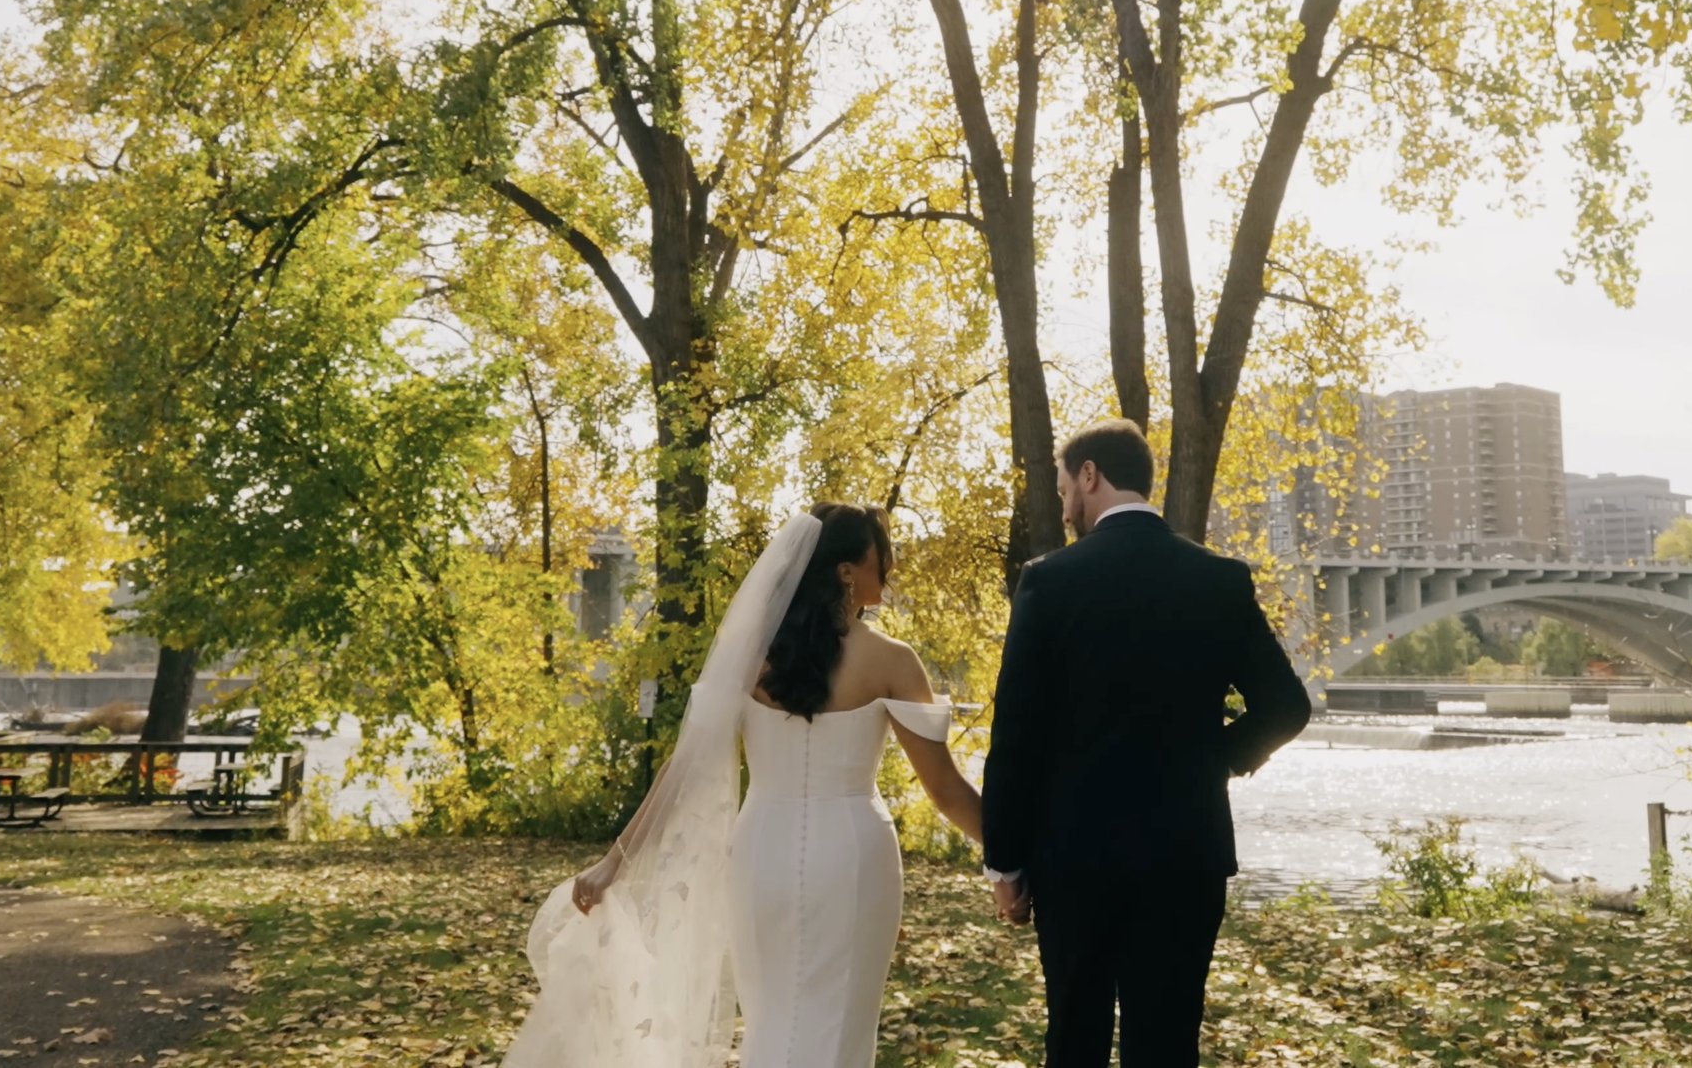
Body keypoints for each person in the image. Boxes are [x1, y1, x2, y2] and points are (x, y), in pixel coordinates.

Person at [503, 503, 982, 1068]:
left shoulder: (749, 659)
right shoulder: (893, 661)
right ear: (847, 570)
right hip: (854, 857)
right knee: (841, 1028)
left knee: (771, 1021)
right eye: (882, 554)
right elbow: (946, 791)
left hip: (761, 854)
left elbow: (682, 770)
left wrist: (616, 860)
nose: (892, 565)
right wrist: (1015, 854)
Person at [982, 419, 1314, 1067]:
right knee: (1165, 1045)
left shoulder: (1049, 582)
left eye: (1064, 488)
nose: (1064, 505)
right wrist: (1213, 759)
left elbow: (1015, 734)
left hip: (1074, 857)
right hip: (1185, 856)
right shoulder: (1219, 580)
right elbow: (1286, 706)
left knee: (1073, 1038)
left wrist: (1007, 863)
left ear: (1089, 475)